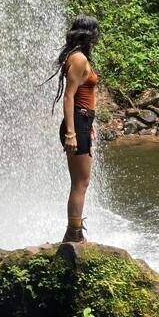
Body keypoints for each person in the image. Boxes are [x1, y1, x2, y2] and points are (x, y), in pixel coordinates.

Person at [52, 15, 100, 243]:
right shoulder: (78, 59)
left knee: (82, 182)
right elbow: (69, 97)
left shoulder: (78, 57)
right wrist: (71, 133)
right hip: (77, 123)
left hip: (83, 122)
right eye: (95, 33)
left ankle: (75, 231)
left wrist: (89, 125)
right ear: (88, 34)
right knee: (80, 183)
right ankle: (73, 234)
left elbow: (84, 94)